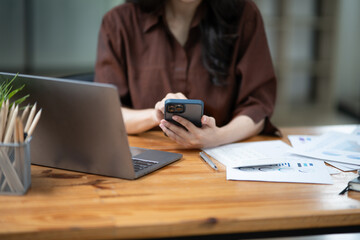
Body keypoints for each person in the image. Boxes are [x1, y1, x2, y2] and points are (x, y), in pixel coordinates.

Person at [95, 0, 278, 149]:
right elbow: (108, 113)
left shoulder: (244, 14)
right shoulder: (119, 22)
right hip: (146, 153)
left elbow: (257, 108)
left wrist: (218, 137)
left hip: (220, 154)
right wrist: (157, 115)